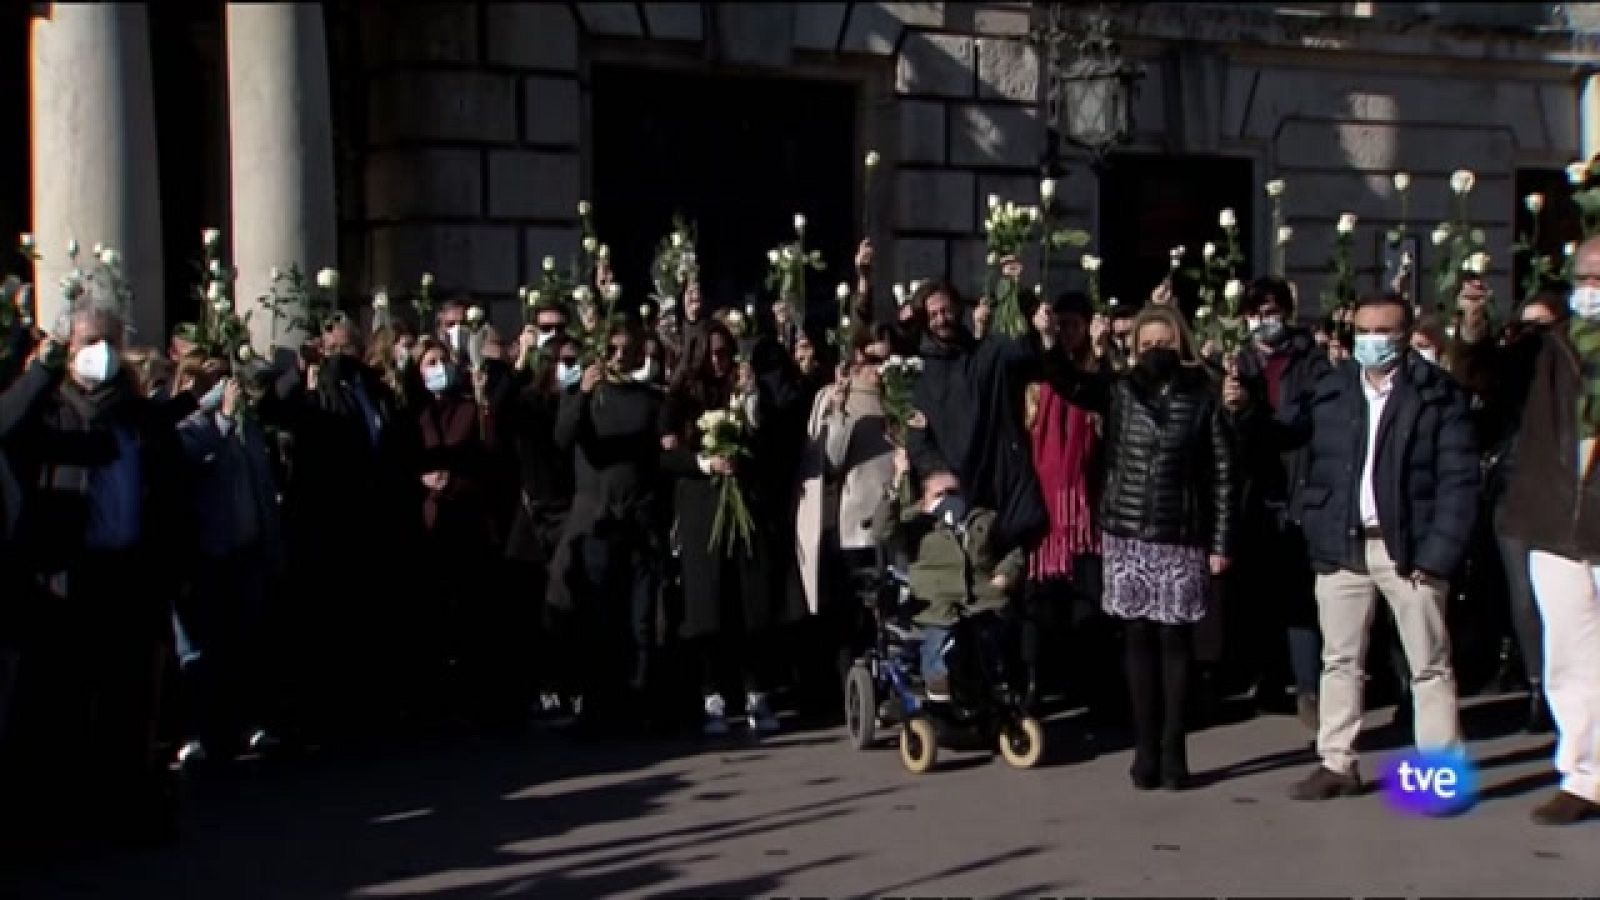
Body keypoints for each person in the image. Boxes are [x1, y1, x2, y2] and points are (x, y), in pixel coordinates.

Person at [1254, 293, 1476, 802]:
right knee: (1340, 659)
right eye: (1364, 330)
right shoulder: (1333, 389)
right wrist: (1245, 402)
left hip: (1411, 548)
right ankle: (1337, 762)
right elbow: (1286, 435)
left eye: (1383, 331)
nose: (1371, 341)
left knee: (1428, 663)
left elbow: (1458, 481)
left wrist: (1438, 552)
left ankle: (1440, 771)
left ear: (1404, 334)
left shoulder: (1436, 394)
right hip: (1342, 543)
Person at [1, 288, 200, 848]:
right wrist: (39, 370)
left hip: (131, 575)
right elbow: (6, 428)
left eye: (110, 343)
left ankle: (127, 810)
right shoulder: (51, 410)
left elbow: (170, 492)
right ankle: (65, 816)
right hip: (68, 578)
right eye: (91, 343)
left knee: (129, 701)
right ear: (69, 348)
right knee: (65, 703)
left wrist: (173, 566)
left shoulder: (137, 419)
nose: (102, 355)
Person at [1055, 304, 1233, 790]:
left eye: (1165, 344)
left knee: (1175, 642)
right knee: (1136, 639)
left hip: (1180, 533)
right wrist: (1060, 339)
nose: (1156, 353)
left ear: (1182, 345)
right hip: (1127, 532)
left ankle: (1175, 749)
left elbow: (1221, 473)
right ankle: (1144, 748)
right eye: (1146, 345)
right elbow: (1066, 383)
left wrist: (1219, 542)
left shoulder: (1204, 394)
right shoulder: (1118, 390)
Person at [1493, 236, 1600, 824]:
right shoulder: (1550, 348)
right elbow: (1483, 372)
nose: (1592, 289)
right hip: (1556, 519)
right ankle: (1583, 777)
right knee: (1570, 658)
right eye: (1584, 276)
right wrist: (1474, 322)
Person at [661, 321, 800, 735]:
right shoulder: (679, 399)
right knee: (708, 606)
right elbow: (666, 455)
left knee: (751, 602)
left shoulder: (744, 394)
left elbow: (769, 444)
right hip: (702, 509)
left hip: (745, 505)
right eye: (713, 354)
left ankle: (758, 692)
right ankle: (713, 695)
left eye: (725, 353)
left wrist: (749, 404)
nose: (719, 362)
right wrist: (704, 463)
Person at [546, 322, 666, 733]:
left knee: (641, 619)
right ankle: (597, 707)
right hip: (597, 522)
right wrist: (581, 393)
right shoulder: (583, 397)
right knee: (598, 617)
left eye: (626, 350)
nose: (618, 357)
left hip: (638, 521)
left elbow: (660, 456)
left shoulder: (650, 401)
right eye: (611, 349)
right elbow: (562, 440)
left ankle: (642, 701)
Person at [1225, 277, 1331, 729]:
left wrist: (1250, 410)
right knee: (1257, 592)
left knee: (1298, 595)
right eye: (1255, 313)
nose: (1262, 322)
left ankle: (1308, 689)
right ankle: (1267, 680)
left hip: (1297, 484)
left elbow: (1299, 424)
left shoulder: (1308, 360)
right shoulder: (1240, 362)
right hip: (1254, 489)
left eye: (1270, 312)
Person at [172, 361, 284, 766]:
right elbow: (188, 461)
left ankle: (249, 724)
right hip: (210, 554)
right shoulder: (190, 427)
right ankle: (201, 730)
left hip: (248, 551)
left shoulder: (245, 428)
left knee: (247, 644)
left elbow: (262, 484)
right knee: (204, 651)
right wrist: (218, 418)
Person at [795, 325, 897, 699]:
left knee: (894, 609)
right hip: (857, 520)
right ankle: (854, 690)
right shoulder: (834, 397)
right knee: (857, 612)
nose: (879, 369)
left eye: (886, 361)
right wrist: (838, 412)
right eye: (872, 360)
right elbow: (829, 459)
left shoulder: (899, 394)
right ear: (855, 360)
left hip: (897, 516)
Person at [873, 459, 1022, 702]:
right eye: (940, 494)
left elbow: (1013, 551)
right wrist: (895, 487)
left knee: (994, 641)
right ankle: (939, 690)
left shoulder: (982, 521)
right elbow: (882, 531)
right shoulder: (916, 525)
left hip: (981, 600)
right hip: (937, 606)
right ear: (925, 500)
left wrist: (1005, 576)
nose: (949, 499)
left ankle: (998, 691)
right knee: (943, 644)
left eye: (954, 493)